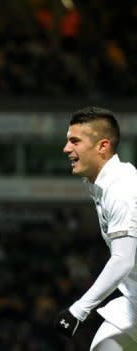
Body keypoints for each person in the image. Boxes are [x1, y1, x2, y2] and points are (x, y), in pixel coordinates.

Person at [56, 106, 137, 350]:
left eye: (75, 141)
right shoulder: (101, 184)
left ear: (102, 146)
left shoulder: (122, 188)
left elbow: (123, 260)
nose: (66, 148)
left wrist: (78, 310)